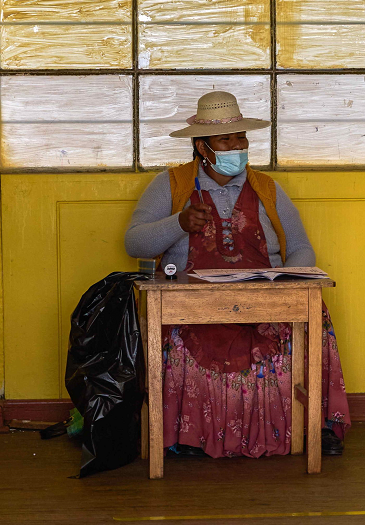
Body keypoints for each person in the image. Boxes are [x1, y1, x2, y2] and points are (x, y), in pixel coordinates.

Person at [125, 91, 350, 458]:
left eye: (241, 138)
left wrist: (287, 284)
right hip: (192, 303)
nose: (237, 146)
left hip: (263, 299)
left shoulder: (267, 188)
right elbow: (134, 242)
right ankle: (192, 436)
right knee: (181, 336)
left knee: (314, 316)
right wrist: (178, 223)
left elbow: (299, 247)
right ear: (202, 147)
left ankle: (311, 426)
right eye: (225, 140)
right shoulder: (171, 186)